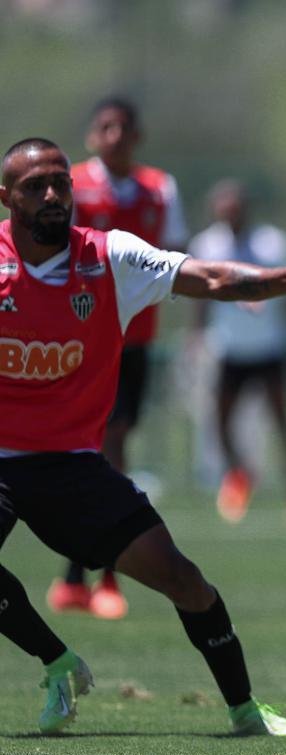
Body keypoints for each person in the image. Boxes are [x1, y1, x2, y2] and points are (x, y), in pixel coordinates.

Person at [0, 137, 286, 735]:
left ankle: (245, 711)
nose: (54, 195)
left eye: (62, 182)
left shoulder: (110, 258)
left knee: (184, 581)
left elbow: (212, 278)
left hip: (73, 466)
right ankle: (58, 663)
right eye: (36, 186)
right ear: (7, 197)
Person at [46, 96, 190, 620]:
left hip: (133, 341)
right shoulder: (68, 185)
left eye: (123, 128)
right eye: (104, 127)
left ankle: (96, 575)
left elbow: (176, 260)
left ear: (137, 136)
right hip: (80, 337)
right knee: (85, 449)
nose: (114, 136)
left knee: (111, 447)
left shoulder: (160, 188)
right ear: (92, 135)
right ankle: (85, 574)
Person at [189, 179, 286, 527]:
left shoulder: (273, 242)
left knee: (284, 425)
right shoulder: (206, 244)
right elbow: (196, 292)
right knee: (220, 423)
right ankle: (239, 478)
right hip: (230, 350)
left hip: (270, 349)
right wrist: (196, 337)